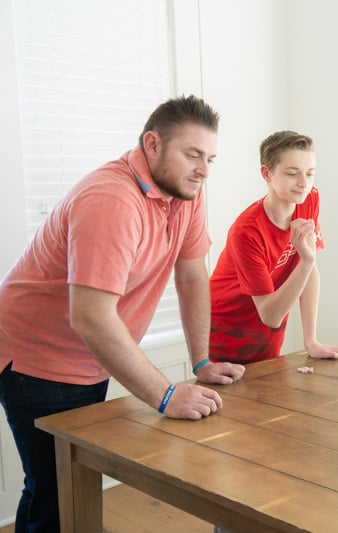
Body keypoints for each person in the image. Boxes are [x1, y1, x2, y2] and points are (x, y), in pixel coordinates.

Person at [0, 94, 246, 533]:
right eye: (192, 154)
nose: (204, 170)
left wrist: (201, 361)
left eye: (210, 158)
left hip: (88, 353)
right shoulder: (111, 198)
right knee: (55, 492)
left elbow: (191, 276)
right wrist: (165, 394)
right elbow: (91, 316)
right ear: (152, 144)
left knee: (70, 486)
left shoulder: (185, 191)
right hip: (35, 357)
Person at [209, 131, 338, 364]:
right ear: (266, 174)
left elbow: (308, 273)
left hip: (268, 336)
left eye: (310, 174)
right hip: (226, 333)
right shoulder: (246, 232)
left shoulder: (308, 199)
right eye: (292, 173)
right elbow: (271, 316)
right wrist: (307, 260)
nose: (303, 183)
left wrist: (312, 342)